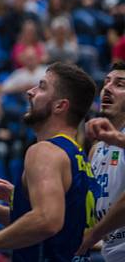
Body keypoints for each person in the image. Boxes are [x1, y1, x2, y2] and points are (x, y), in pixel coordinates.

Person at [0, 62, 98, 259]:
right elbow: (54, 231)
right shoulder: (77, 156)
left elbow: (47, 221)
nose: (30, 91)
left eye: (42, 86)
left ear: (60, 105)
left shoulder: (45, 151)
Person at [77, 62, 125, 259]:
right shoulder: (96, 149)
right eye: (106, 82)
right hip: (110, 252)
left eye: (120, 84)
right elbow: (82, 206)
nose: (107, 87)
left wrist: (92, 235)